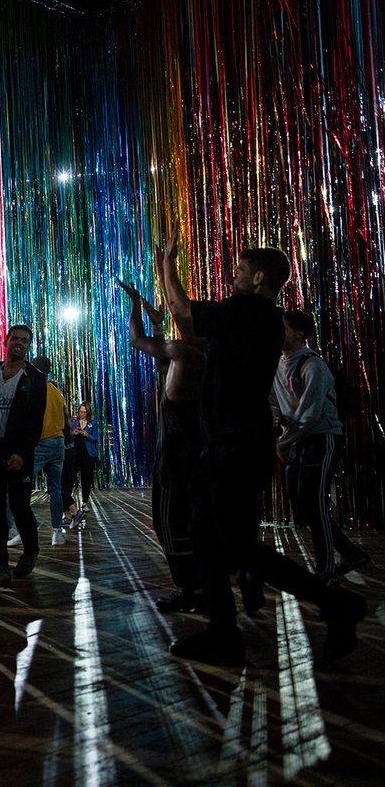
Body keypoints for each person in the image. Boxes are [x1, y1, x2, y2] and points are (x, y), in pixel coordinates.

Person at [159, 230, 366, 664]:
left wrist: (168, 263)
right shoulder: (259, 319)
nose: (233, 276)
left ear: (259, 278)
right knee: (223, 540)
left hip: (233, 445)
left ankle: (241, 628)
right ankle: (239, 627)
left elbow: (181, 312)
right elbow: (191, 331)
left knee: (221, 540)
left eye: (239, 270)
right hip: (238, 443)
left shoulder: (250, 310)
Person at [119, 275, 205, 614]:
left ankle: (193, 590)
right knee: (192, 524)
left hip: (176, 457)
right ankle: (204, 586)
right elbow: (162, 365)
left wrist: (135, 305)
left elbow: (136, 341)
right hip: (201, 455)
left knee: (170, 525)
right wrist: (158, 327)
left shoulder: (185, 352)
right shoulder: (211, 355)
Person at [271, 310, 370, 583]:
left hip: (322, 437)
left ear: (299, 334)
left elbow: (310, 414)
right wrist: (278, 424)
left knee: (313, 502)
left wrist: (283, 441)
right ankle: (352, 553)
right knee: (303, 504)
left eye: (283, 328)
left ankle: (326, 569)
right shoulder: (277, 364)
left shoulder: (313, 365)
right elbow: (273, 402)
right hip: (296, 440)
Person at [0, 325, 46, 586]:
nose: (19, 343)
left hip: (16, 452)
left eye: (25, 340)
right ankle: (0, 565)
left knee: (19, 506)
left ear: (29, 346)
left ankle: (31, 550)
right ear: (6, 341)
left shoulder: (34, 379)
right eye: (15, 338)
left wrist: (23, 454)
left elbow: (35, 422)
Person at [29, 355, 71, 546]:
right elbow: (66, 417)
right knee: (55, 489)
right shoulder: (56, 391)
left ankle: (15, 529)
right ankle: (57, 532)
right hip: (58, 442)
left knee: (18, 484)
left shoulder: (33, 389)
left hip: (41, 442)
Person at [65, 402, 98, 528]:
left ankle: (84, 503)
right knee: (71, 478)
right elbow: (67, 433)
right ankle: (68, 503)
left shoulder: (93, 423)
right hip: (75, 453)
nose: (82, 414)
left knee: (86, 478)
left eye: (84, 412)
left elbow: (95, 438)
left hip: (88, 454)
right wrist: (73, 433)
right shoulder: (73, 421)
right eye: (81, 412)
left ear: (88, 413)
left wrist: (86, 434)